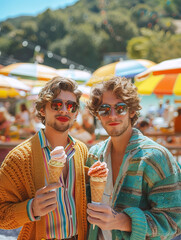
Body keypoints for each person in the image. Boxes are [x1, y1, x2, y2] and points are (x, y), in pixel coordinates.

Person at [86, 77, 181, 240]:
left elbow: (175, 221)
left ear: (132, 111)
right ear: (97, 114)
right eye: (104, 110)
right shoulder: (94, 156)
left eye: (120, 108)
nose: (112, 115)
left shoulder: (155, 158)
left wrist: (122, 221)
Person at [0, 76, 88, 240]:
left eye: (71, 106)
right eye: (56, 104)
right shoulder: (20, 158)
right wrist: (31, 208)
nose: (64, 110)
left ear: (76, 113)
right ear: (42, 110)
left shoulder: (82, 151)